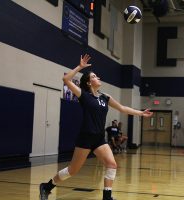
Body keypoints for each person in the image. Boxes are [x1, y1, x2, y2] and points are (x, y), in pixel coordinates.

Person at [39, 54, 153, 200]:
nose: (98, 77)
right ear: (88, 83)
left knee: (112, 164)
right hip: (86, 137)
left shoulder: (105, 97)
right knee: (72, 170)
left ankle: (107, 197)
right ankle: (46, 187)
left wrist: (141, 113)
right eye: (94, 76)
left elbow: (123, 108)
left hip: (99, 138)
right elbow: (66, 79)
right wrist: (80, 67)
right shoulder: (84, 95)